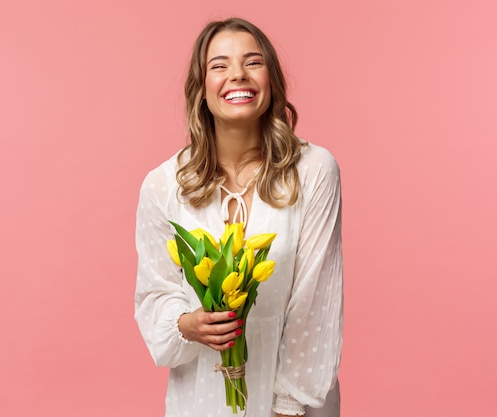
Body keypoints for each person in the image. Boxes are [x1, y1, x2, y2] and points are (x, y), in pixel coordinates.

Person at [134, 17, 343, 417]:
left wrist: (289, 407)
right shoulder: (163, 186)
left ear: (272, 79)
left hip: (294, 405)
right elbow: (154, 294)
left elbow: (315, 305)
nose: (237, 76)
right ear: (201, 88)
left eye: (253, 62)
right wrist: (186, 323)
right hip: (199, 399)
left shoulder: (314, 170)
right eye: (219, 65)